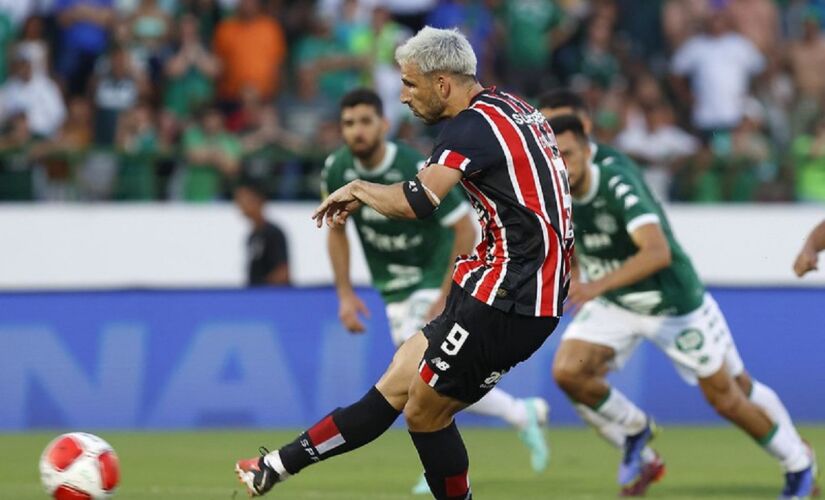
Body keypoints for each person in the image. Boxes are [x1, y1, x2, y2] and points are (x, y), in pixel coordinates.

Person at [235, 26, 573, 499]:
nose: (404, 96)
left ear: (442, 83)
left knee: (424, 413)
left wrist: (358, 188)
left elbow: (418, 200)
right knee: (395, 386)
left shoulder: (472, 126)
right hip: (499, 282)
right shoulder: (513, 107)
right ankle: (275, 466)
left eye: (411, 84)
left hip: (512, 293)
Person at [545, 114, 818, 499]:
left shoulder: (617, 183)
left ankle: (797, 463)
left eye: (568, 154)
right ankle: (635, 428)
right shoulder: (553, 191)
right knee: (568, 371)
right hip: (618, 302)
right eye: (553, 156)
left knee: (727, 397)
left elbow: (657, 252)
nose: (561, 164)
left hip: (671, 303)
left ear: (590, 150)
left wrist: (595, 285)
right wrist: (575, 274)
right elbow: (570, 238)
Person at [323, 88, 553, 494]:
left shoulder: (416, 163)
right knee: (426, 381)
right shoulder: (336, 168)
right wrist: (344, 293)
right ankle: (519, 415)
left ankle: (446, 457)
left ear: (383, 124)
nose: (356, 131)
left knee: (420, 382)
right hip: (393, 288)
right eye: (348, 123)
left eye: (364, 121)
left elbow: (463, 228)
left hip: (432, 280)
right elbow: (336, 231)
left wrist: (448, 293)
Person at [234, 183, 290, 286]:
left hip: (270, 297)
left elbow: (283, 272)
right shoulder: (252, 236)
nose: (240, 205)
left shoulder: (273, 233)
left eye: (244, 199)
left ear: (257, 201)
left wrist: (262, 290)